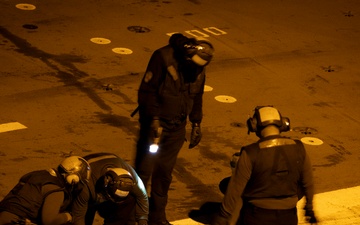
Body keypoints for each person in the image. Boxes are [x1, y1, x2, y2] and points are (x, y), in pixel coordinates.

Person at [133, 33, 214, 225]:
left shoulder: (199, 67)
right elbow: (147, 91)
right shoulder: (163, 57)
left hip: (177, 128)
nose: (196, 70)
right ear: (186, 57)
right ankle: (136, 216)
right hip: (156, 128)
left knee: (164, 174)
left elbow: (198, 96)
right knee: (143, 172)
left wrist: (196, 123)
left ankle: (157, 217)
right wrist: (154, 119)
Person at [212, 105, 317, 225]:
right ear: (282, 124)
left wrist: (224, 215)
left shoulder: (250, 153)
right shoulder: (299, 148)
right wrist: (309, 207)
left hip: (257, 216)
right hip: (288, 217)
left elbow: (235, 188)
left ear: (255, 125)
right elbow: (308, 182)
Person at [0, 156, 91, 225]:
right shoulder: (57, 190)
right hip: (16, 221)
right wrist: (68, 216)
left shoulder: (40, 174)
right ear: (73, 178)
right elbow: (49, 221)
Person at [70, 152, 149, 225]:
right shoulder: (86, 185)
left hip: (101, 189)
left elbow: (142, 196)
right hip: (86, 191)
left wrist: (142, 219)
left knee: (129, 201)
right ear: (106, 184)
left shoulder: (132, 177)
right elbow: (78, 216)